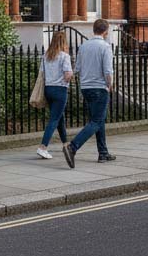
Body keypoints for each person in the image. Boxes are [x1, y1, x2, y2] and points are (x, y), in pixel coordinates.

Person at [62, 18, 116, 167]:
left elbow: (77, 68)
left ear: (94, 30)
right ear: (105, 32)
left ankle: (103, 153)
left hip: (85, 87)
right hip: (99, 88)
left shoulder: (84, 46)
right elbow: (107, 70)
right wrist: (110, 84)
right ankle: (72, 147)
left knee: (98, 120)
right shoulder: (105, 47)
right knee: (97, 121)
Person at [36, 29, 73, 159]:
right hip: (60, 90)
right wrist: (71, 75)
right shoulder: (64, 56)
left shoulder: (46, 56)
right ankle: (43, 147)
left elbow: (42, 73)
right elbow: (68, 75)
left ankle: (65, 144)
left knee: (59, 118)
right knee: (54, 119)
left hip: (48, 89)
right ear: (63, 42)